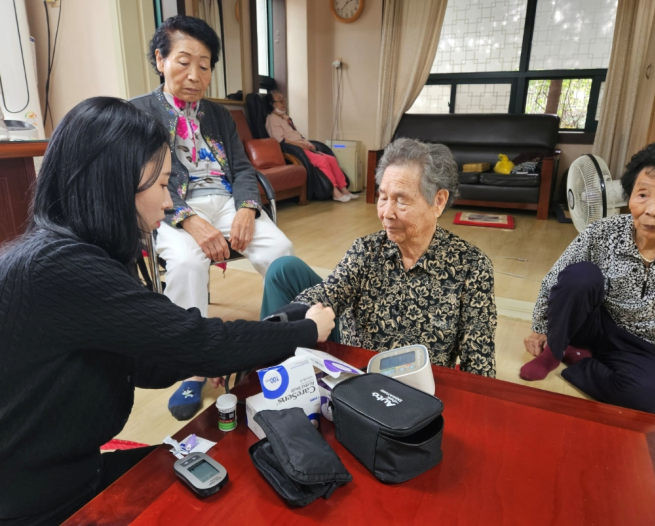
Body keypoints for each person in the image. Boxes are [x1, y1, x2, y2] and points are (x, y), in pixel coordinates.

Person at [0, 97, 335, 526]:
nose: (166, 203)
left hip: (61, 474)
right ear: (115, 185)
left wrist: (198, 357)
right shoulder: (61, 268)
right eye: (161, 185)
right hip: (37, 504)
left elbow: (142, 360)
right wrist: (305, 330)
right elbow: (198, 340)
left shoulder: (63, 254)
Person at [131, 16, 295, 420]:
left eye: (204, 65)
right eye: (184, 62)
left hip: (224, 199)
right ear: (160, 59)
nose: (195, 74)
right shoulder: (138, 113)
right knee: (187, 262)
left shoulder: (219, 115)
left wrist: (245, 208)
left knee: (281, 248)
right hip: (168, 206)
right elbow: (142, 179)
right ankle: (191, 366)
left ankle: (281, 341)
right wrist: (187, 219)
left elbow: (241, 168)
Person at [261, 138, 496, 376]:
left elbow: (479, 363)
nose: (386, 213)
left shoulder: (471, 267)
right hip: (360, 381)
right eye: (383, 197)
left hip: (421, 391)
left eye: (401, 200)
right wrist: (255, 339)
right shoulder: (366, 250)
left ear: (438, 201)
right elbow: (327, 292)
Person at [521, 136, 655, 414]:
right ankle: (555, 352)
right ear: (629, 195)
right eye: (642, 194)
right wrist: (540, 328)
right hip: (594, 321)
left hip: (644, 344)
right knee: (579, 275)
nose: (652, 210)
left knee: (642, 399)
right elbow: (556, 277)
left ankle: (577, 358)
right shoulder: (603, 230)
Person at [264, 91, 357, 202]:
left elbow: (297, 135)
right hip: (294, 150)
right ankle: (334, 191)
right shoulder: (271, 119)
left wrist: (307, 143)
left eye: (284, 100)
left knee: (331, 159)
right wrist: (301, 145)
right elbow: (280, 140)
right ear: (271, 104)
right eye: (280, 101)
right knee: (322, 160)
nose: (284, 103)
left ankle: (344, 189)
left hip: (302, 146)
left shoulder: (285, 118)